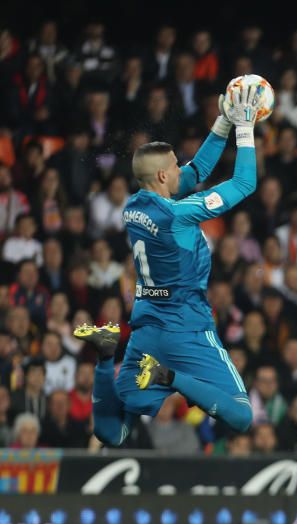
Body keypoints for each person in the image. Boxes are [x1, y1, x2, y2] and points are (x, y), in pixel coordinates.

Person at [72, 87, 261, 446]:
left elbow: (194, 174)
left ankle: (105, 355)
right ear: (162, 177)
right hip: (186, 328)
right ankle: (168, 377)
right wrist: (245, 126)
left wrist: (222, 121)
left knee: (112, 432)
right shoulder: (181, 214)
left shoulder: (134, 206)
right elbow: (245, 182)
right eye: (175, 164)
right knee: (241, 415)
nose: (182, 168)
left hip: (146, 331)